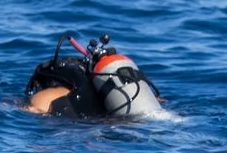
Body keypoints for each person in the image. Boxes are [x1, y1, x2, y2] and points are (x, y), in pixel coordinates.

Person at [24, 32, 164, 120]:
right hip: (130, 119)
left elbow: (32, 112)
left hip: (83, 131)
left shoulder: (43, 96)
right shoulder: (105, 88)